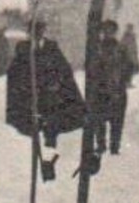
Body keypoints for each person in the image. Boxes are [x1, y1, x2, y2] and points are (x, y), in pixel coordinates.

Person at [6, 18, 86, 157]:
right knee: (31, 125)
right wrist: (24, 85)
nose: (36, 33)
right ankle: (33, 154)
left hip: (49, 95)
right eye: (33, 30)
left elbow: (63, 69)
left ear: (43, 31)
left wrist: (56, 82)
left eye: (39, 29)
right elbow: (15, 71)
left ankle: (50, 151)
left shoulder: (52, 47)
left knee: (51, 123)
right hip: (31, 95)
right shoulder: (23, 48)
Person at [85, 19, 139, 163]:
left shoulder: (121, 49)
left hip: (117, 90)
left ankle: (115, 146)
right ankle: (101, 144)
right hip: (101, 90)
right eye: (105, 31)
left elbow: (130, 66)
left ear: (114, 32)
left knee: (117, 120)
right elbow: (91, 68)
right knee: (99, 119)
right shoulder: (96, 49)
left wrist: (124, 79)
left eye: (110, 30)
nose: (107, 34)